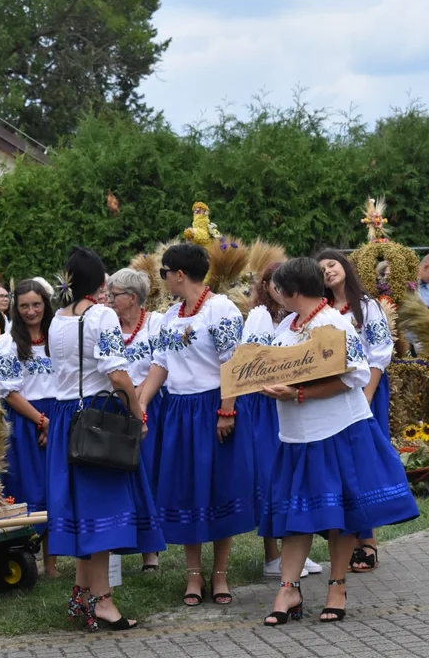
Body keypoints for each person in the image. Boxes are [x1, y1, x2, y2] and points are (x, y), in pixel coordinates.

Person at [258, 257, 419, 626]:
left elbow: (355, 376)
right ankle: (288, 589)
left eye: (279, 289)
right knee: (296, 515)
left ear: (292, 291)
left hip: (336, 432)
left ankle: (336, 586)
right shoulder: (288, 324)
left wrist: (298, 394)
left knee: (340, 515)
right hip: (297, 436)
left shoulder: (333, 323)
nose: (276, 295)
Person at [46, 247, 165, 631]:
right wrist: (137, 413)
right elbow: (116, 374)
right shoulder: (101, 316)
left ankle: (82, 595)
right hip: (98, 419)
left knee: (84, 513)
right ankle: (102, 601)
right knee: (101, 514)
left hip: (66, 417)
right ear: (100, 285)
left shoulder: (57, 320)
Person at [137, 243, 254, 607]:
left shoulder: (220, 309)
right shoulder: (170, 316)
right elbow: (161, 364)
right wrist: (139, 402)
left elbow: (233, 362)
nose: (164, 279)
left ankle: (219, 574)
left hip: (213, 406)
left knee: (217, 487)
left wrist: (227, 410)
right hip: (179, 412)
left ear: (179, 274)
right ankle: (192, 574)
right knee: (187, 489)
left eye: (165, 273)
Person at [237, 262, 320, 579]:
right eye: (275, 282)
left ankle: (295, 551)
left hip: (287, 398)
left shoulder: (293, 319)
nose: (281, 288)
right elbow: (253, 358)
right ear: (266, 285)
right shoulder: (261, 315)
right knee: (272, 476)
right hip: (265, 403)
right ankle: (273, 556)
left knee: (292, 478)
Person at [317, 249, 393, 574]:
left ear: (345, 266)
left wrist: (367, 396)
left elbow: (380, 351)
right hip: (334, 394)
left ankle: (369, 541)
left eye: (332, 264)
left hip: (366, 390)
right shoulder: (320, 311)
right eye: (320, 269)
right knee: (339, 466)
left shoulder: (366, 306)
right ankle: (347, 539)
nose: (328, 271)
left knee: (363, 465)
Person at [0, 279, 57, 577]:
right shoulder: (8, 342)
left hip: (58, 415)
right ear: (16, 309)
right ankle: (20, 559)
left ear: (46, 305)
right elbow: (9, 391)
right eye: (24, 306)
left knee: (56, 489)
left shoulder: (58, 336)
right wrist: (41, 421)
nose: (31, 311)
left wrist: (53, 421)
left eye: (37, 305)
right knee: (29, 488)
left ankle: (53, 562)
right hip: (24, 418)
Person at [106, 267, 167, 572]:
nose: (109, 299)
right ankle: (115, 547)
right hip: (115, 408)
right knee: (118, 479)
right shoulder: (108, 325)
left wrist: (139, 401)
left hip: (150, 406)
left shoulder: (155, 323)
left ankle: (150, 551)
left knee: (149, 475)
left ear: (132, 297)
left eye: (114, 295)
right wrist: (127, 400)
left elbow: (160, 364)